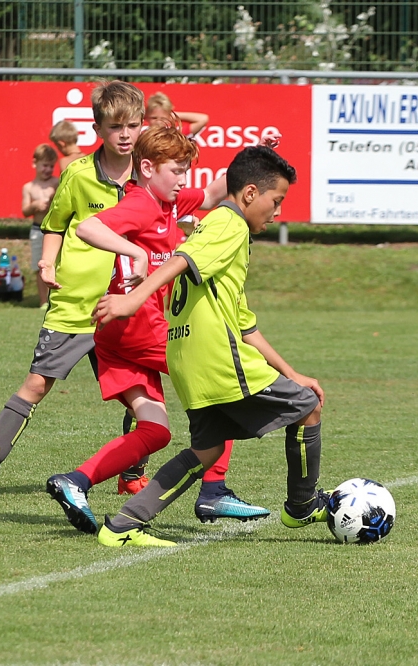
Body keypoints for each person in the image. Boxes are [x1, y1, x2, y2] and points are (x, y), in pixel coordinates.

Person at [90, 146, 330, 547]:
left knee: (207, 450)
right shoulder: (228, 224)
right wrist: (132, 300)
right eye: (276, 201)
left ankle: (122, 526)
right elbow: (181, 259)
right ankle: (301, 506)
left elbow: (243, 322)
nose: (277, 212)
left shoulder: (216, 226)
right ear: (250, 194)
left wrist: (291, 372)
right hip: (217, 359)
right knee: (308, 407)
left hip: (187, 359)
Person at [45, 125, 268, 534]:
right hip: (138, 326)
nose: (184, 180)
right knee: (218, 378)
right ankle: (214, 490)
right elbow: (87, 228)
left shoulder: (167, 200)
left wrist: (256, 156)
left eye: (186, 171)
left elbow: (217, 191)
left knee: (156, 431)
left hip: (116, 335)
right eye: (177, 171)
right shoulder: (142, 204)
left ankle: (74, 482)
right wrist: (134, 251)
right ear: (147, 168)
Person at [0, 81, 145, 501]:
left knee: (139, 396)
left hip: (128, 306)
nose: (126, 134)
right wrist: (46, 261)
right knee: (37, 385)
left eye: (133, 125)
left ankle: (132, 473)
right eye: (117, 127)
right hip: (76, 304)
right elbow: (54, 224)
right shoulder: (78, 175)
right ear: (98, 128)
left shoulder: (147, 172)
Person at [22, 144, 59, 308]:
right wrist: (34, 205)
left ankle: (56, 298)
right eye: (45, 165)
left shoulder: (56, 183)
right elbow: (24, 211)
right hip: (37, 229)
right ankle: (43, 300)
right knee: (40, 266)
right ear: (34, 163)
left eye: (51, 166)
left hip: (55, 230)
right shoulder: (29, 187)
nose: (48, 169)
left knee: (56, 264)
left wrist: (52, 200)